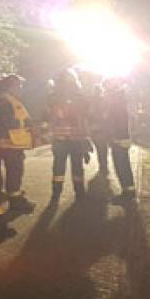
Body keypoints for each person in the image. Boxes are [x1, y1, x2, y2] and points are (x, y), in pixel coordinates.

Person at [0, 74, 35, 237]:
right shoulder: (5, 101)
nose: (21, 88)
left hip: (12, 144)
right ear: (12, 85)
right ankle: (15, 203)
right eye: (19, 85)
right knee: (15, 172)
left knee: (15, 172)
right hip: (9, 144)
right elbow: (8, 122)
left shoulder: (8, 99)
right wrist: (26, 123)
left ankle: (16, 200)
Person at [47, 69, 91, 201]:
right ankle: (79, 192)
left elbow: (50, 116)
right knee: (77, 166)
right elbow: (84, 119)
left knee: (58, 167)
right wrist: (86, 140)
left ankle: (56, 193)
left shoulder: (53, 97)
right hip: (76, 139)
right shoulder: (80, 98)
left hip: (59, 139)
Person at [98, 77, 137, 198]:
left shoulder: (116, 101)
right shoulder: (119, 99)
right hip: (120, 137)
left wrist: (115, 136)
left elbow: (117, 121)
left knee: (121, 165)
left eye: (106, 89)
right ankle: (128, 191)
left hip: (119, 138)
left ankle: (128, 193)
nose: (104, 92)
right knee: (122, 164)